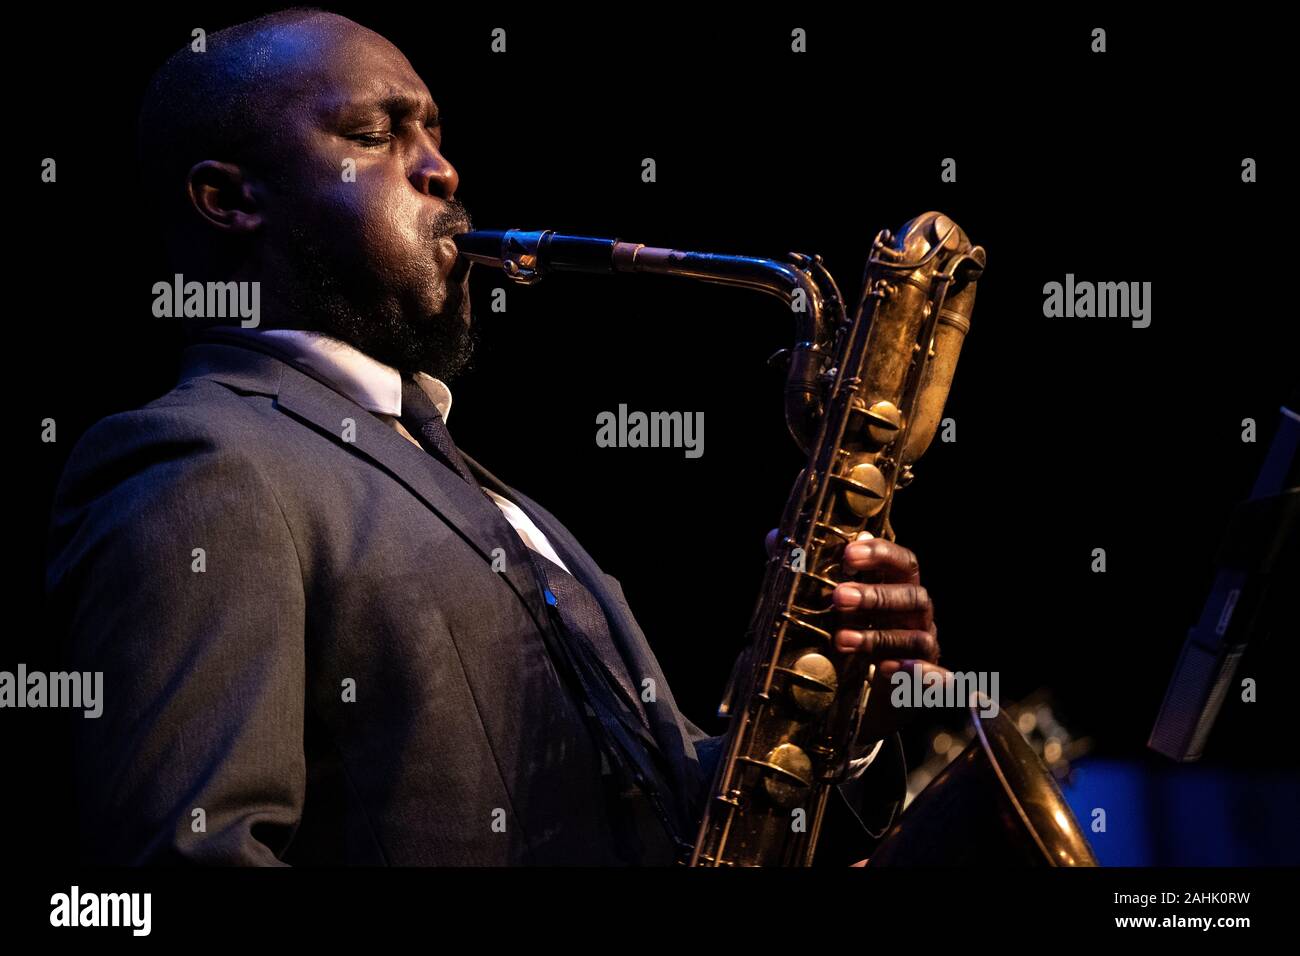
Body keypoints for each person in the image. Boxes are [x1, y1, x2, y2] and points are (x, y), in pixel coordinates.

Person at [45, 9, 944, 865]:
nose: (441, 170)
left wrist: (840, 711)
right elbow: (180, 860)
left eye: (435, 134)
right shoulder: (199, 463)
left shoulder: (486, 492)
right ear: (229, 199)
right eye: (375, 135)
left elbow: (682, 817)